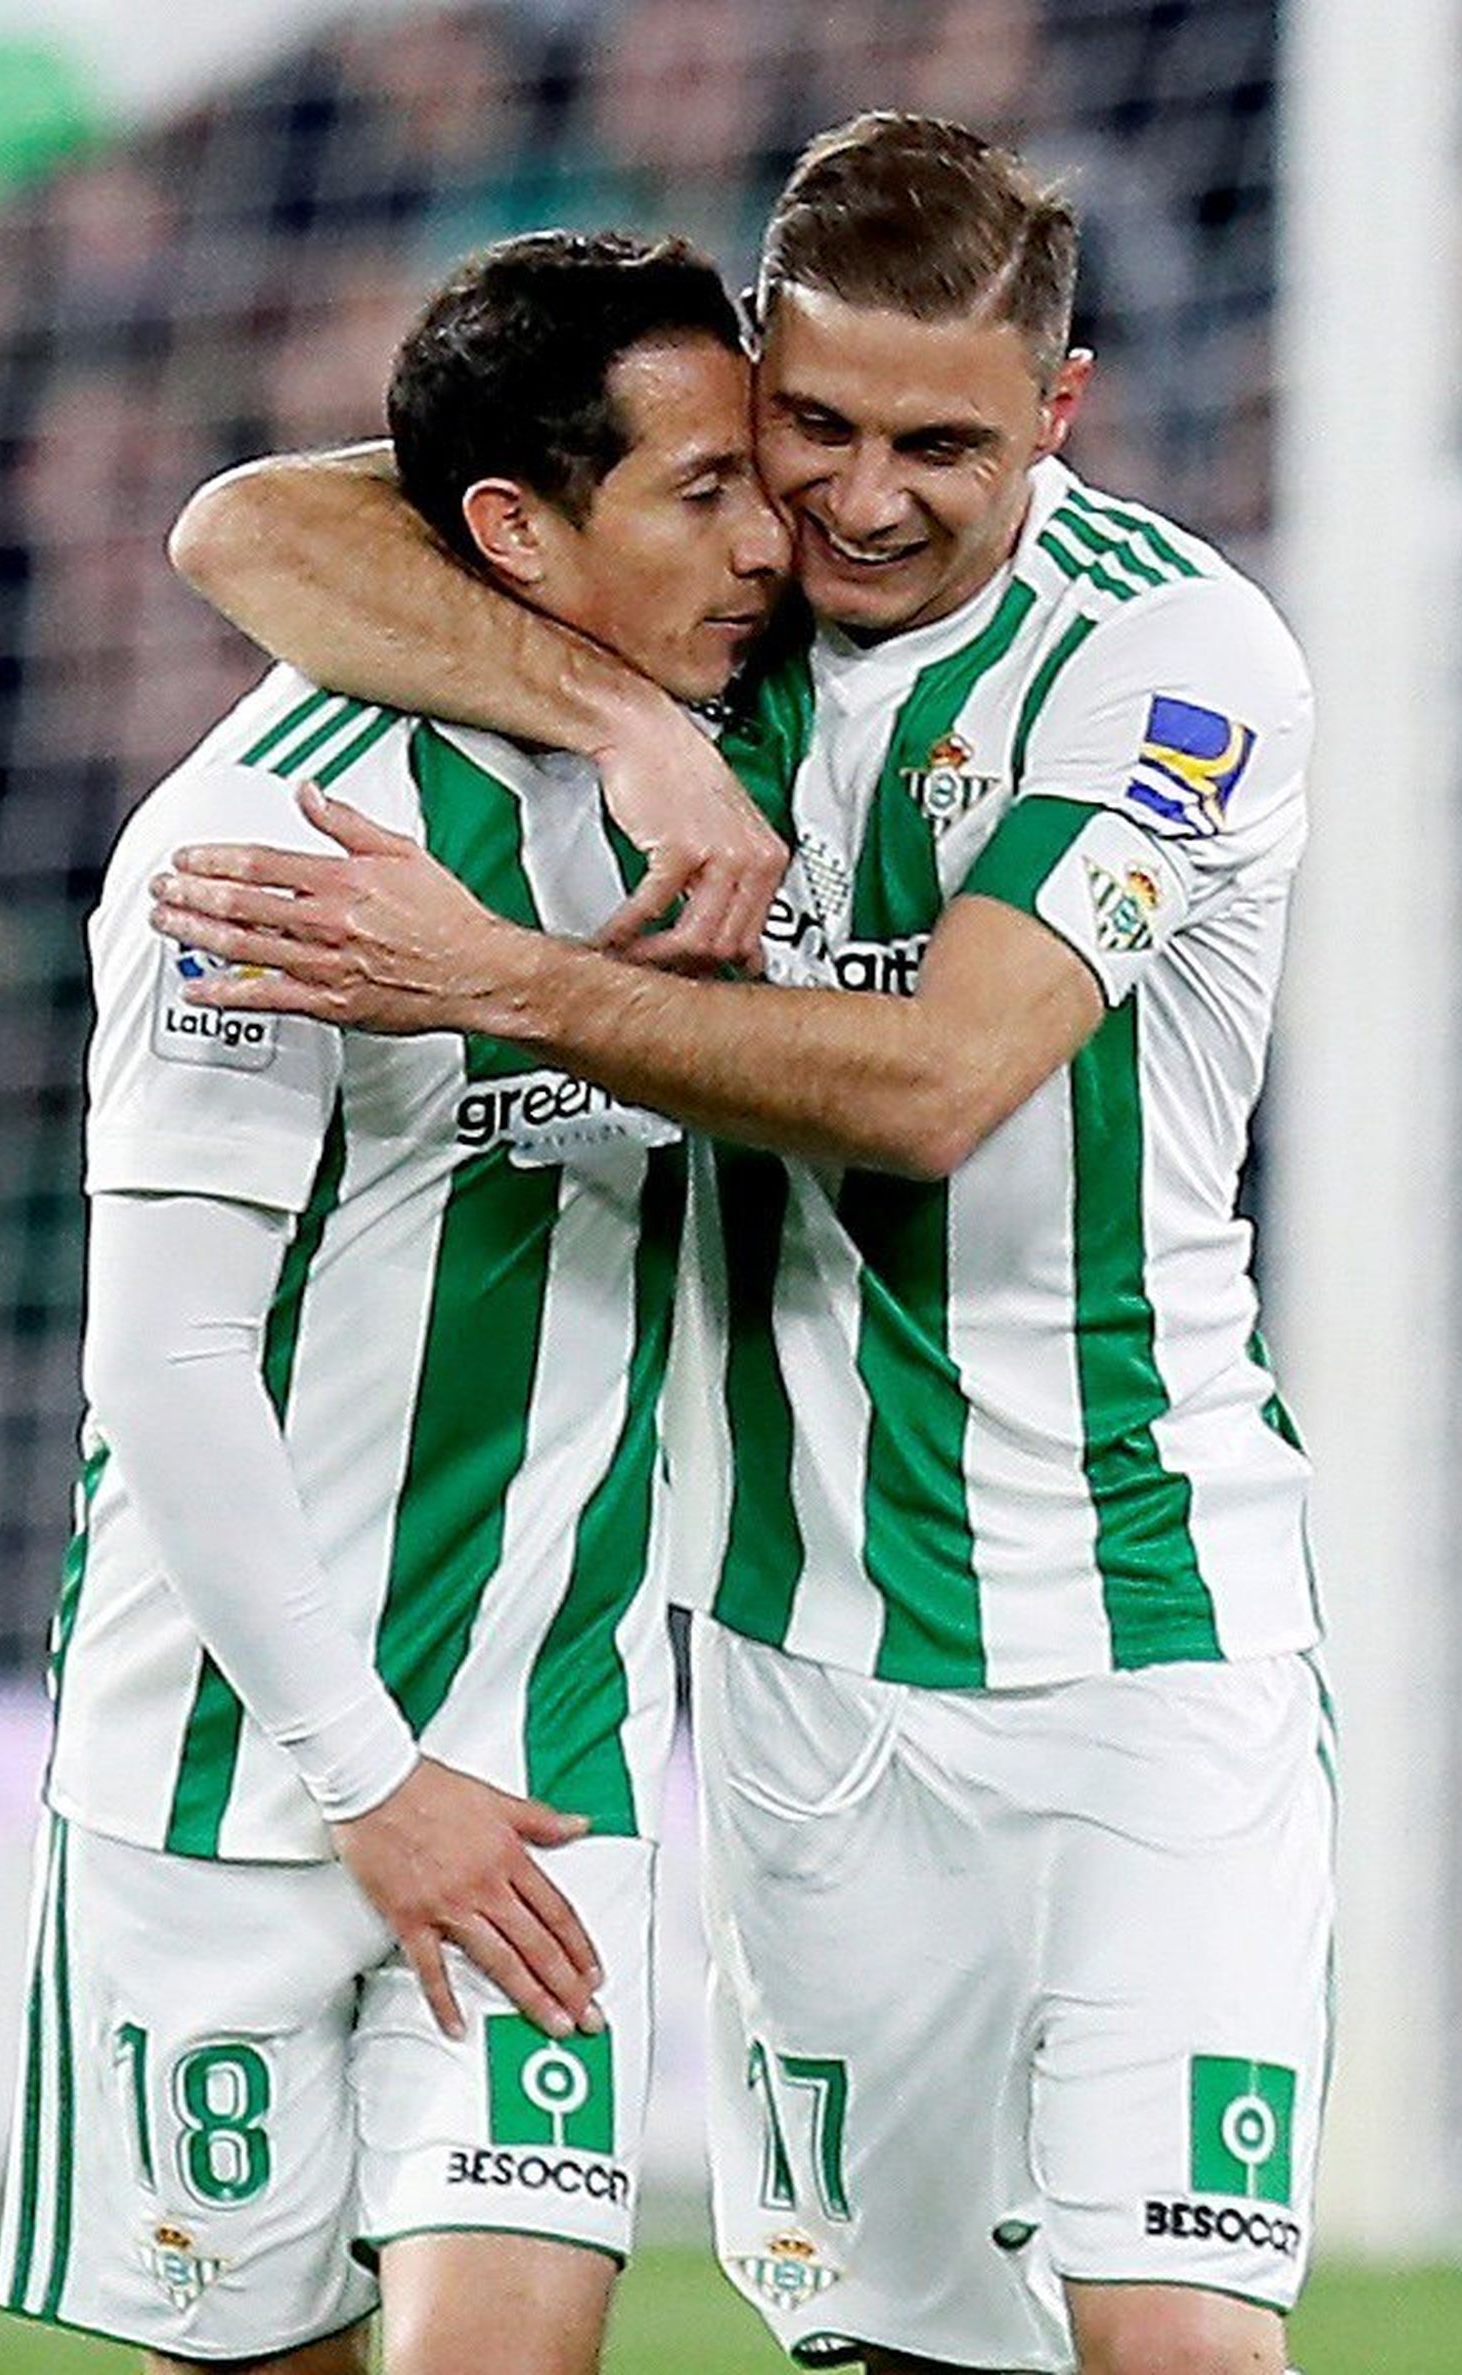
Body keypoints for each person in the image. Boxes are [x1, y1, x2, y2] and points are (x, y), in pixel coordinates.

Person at [159, 116, 1332, 2375]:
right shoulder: (719, 610)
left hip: (1148, 1639)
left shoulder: (1170, 658)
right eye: (814, 428)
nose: (868, 499)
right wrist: (624, 723)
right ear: (756, 374)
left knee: (1176, 2339)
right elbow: (248, 525)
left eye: (943, 444)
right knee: (903, 2351)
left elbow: (934, 1086)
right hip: (795, 1662)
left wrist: (491, 974)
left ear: (1060, 413)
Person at [0, 229, 789, 2375]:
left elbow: (270, 512)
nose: (765, 536)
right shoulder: (264, 840)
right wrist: (365, 1774)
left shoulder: (746, 756)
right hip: (232, 1781)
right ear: (518, 530)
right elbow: (157, 1360)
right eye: (700, 491)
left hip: (546, 1759)